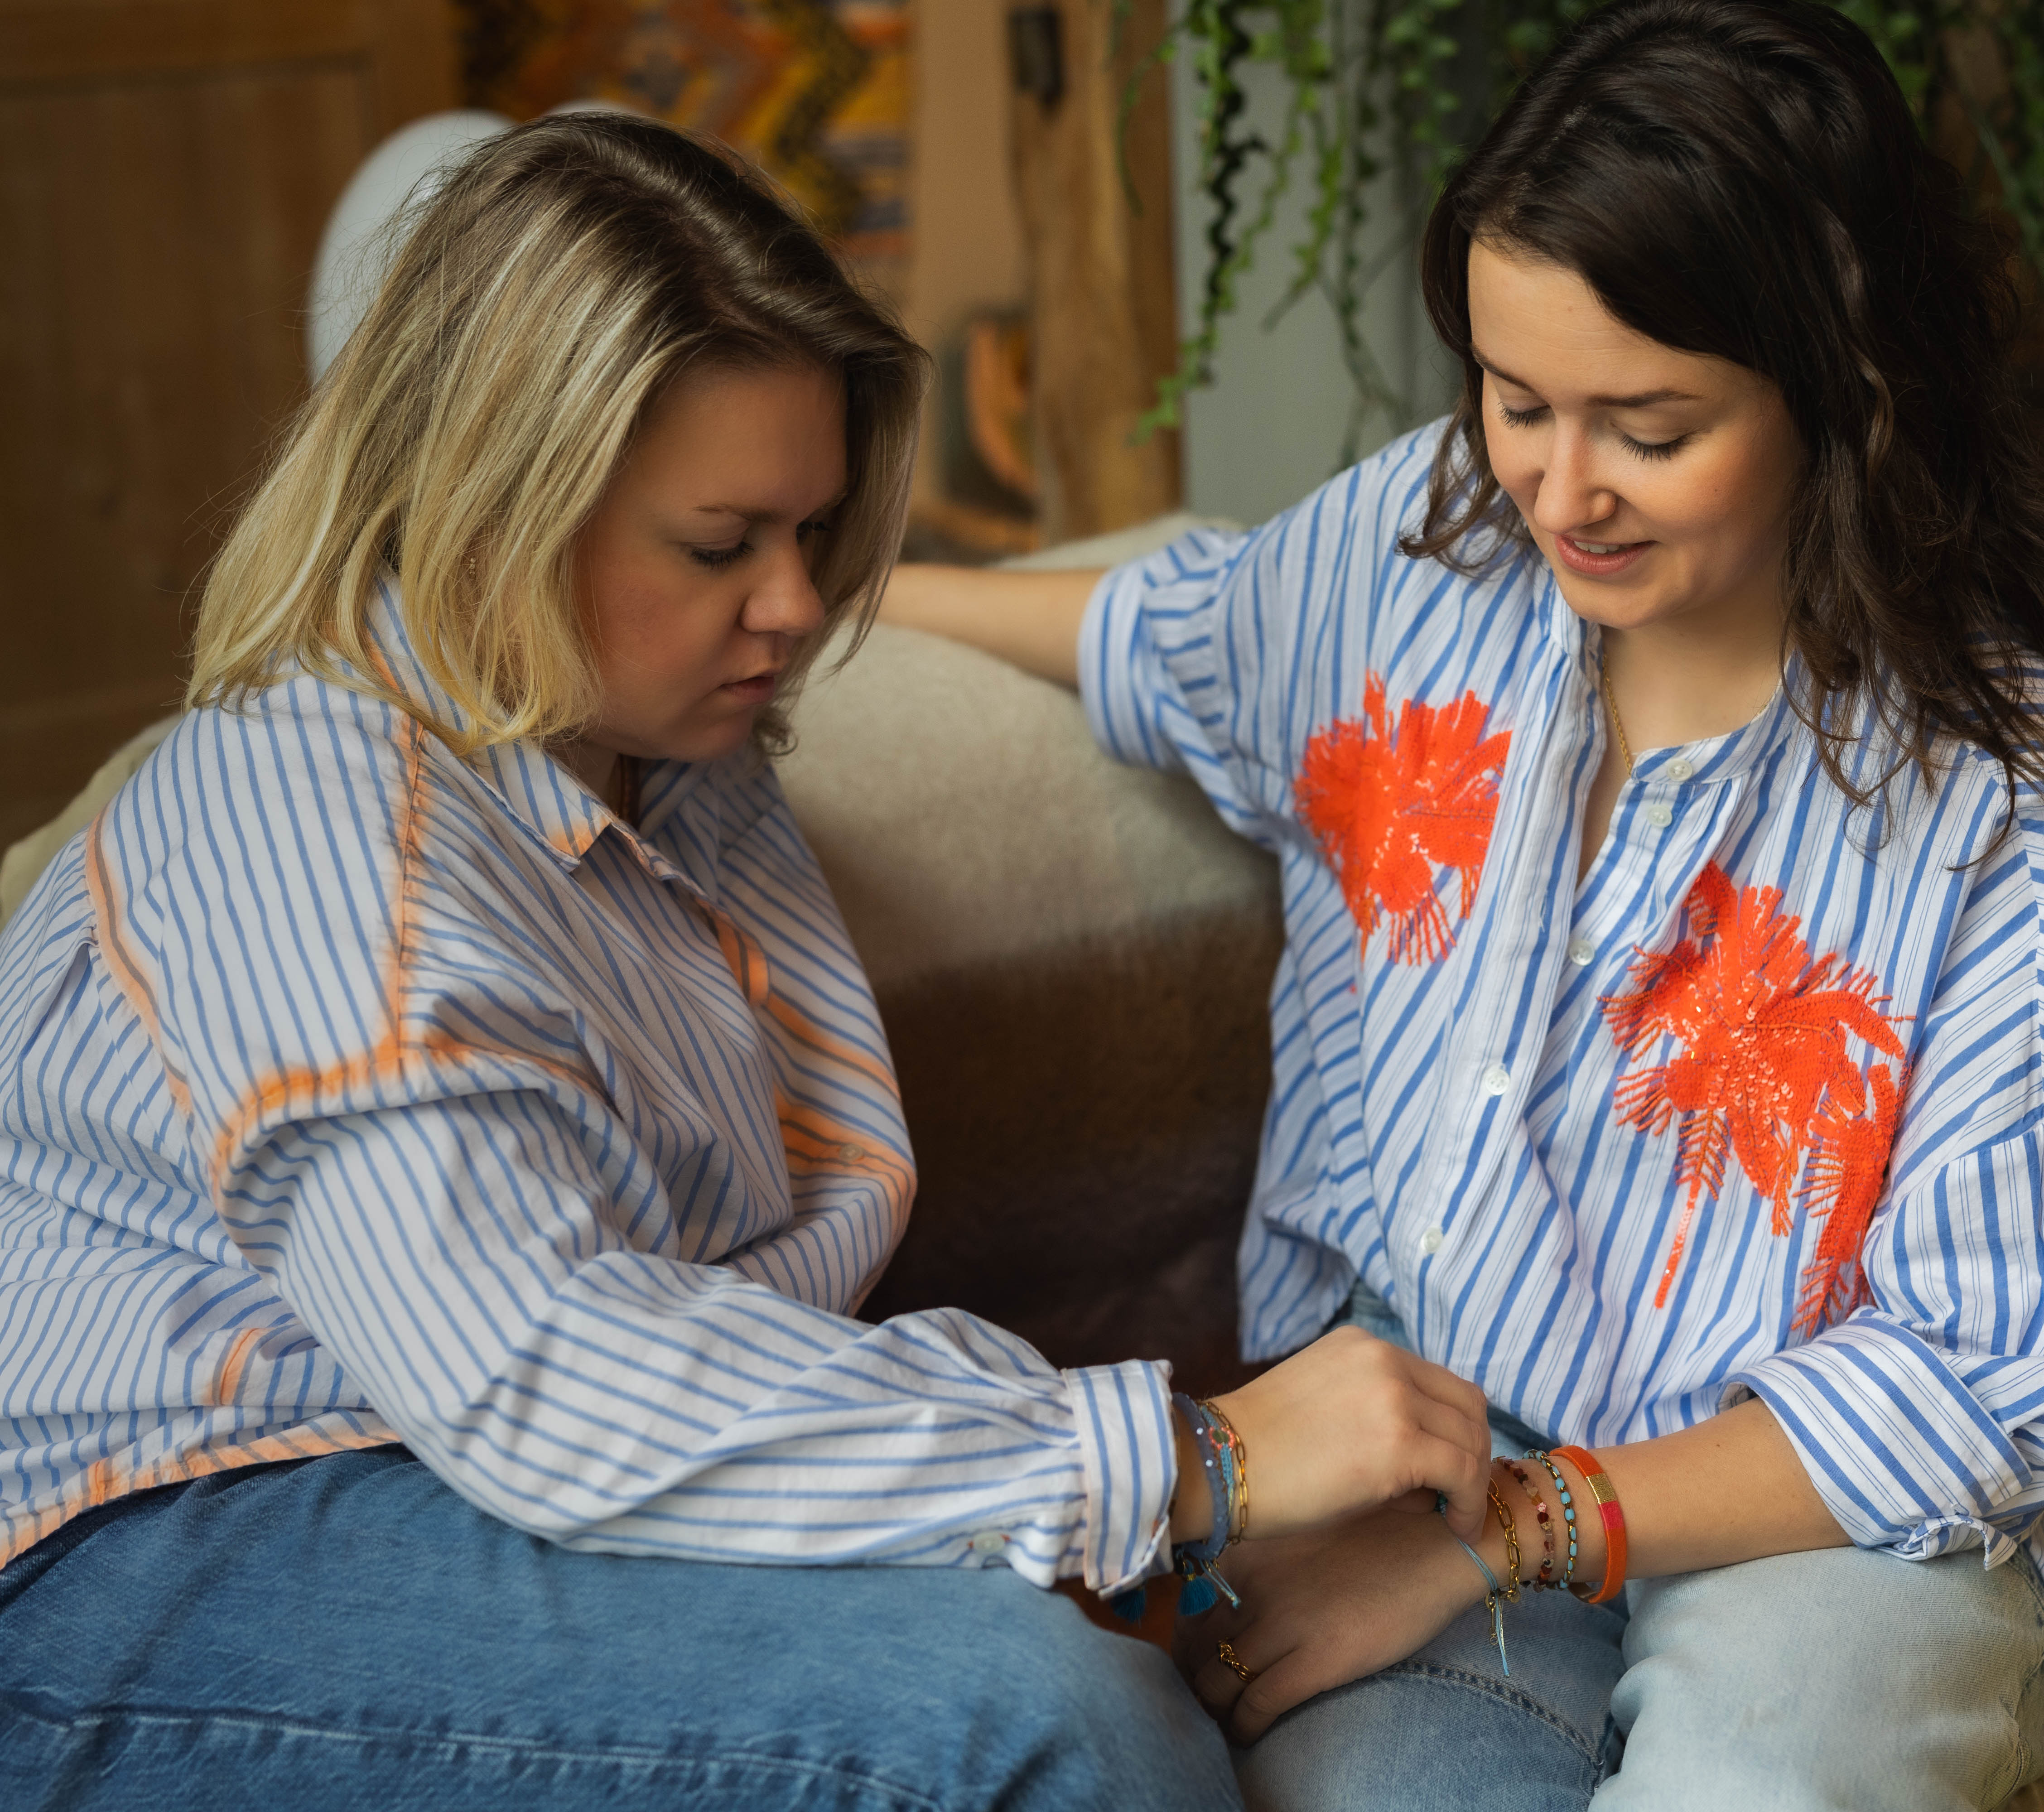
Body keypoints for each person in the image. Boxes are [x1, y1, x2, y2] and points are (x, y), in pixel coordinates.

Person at [0, 112, 1502, 1810]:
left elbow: (713, 1325)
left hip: (469, 1480)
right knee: (1038, 1725)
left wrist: (1074, 1488)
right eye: (722, 548)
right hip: (143, 1545)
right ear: (496, 503)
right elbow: (542, 1374)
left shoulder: (683, 778)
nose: (795, 608)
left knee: (1107, 1653)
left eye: (815, 530)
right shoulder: (304, 819)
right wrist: (1183, 1456)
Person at [878, 1, 2044, 1805]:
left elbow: (1997, 1363)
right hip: (1415, 1431)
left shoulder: (2002, 787)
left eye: (1647, 424)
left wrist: (1524, 1526)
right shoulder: (1420, 548)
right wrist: (816, 608)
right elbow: (1176, 634)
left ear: (1842, 385)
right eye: (1515, 396)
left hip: (1827, 1505)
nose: (1556, 489)